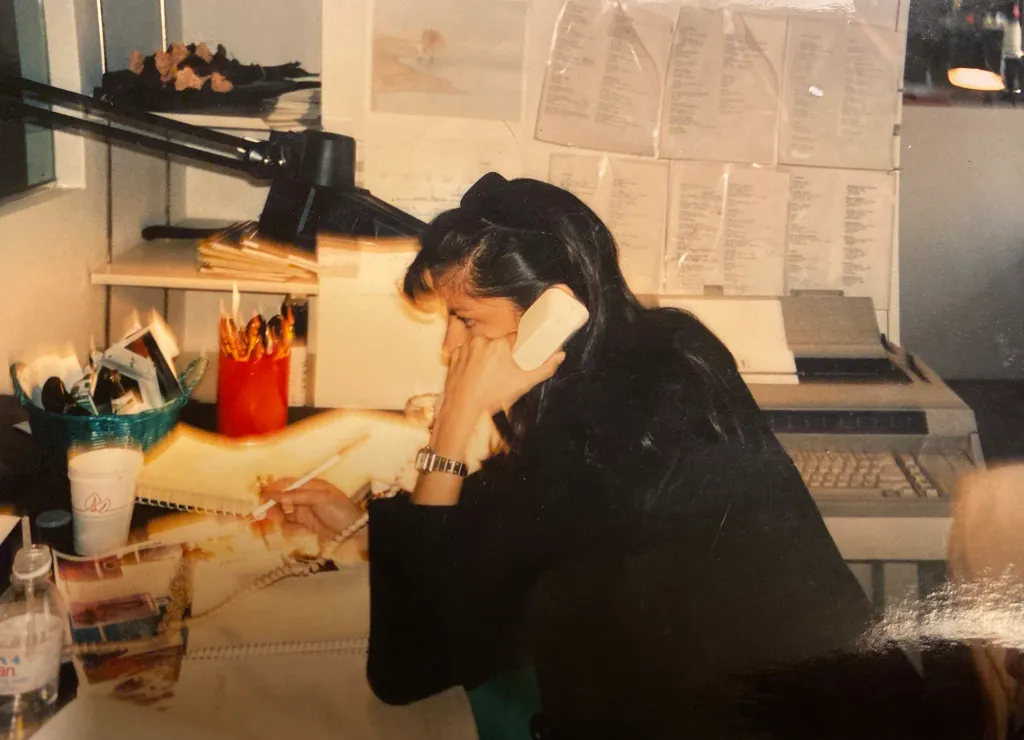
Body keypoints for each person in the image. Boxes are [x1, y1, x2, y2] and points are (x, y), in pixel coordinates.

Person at [264, 173, 953, 739]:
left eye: (467, 322)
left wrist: (451, 428)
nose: (450, 351)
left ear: (551, 317)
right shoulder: (667, 351)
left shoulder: (607, 434)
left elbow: (412, 664)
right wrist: (365, 531)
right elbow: (507, 533)